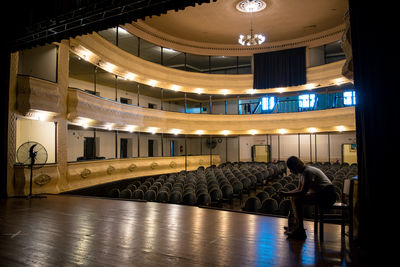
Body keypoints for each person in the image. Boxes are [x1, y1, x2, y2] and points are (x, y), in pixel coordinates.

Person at [278, 156, 336, 240]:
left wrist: (286, 194)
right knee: (294, 198)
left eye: (291, 168)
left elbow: (302, 192)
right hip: (321, 194)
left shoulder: (308, 172)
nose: (291, 171)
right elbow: (298, 189)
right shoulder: (303, 172)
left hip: (327, 196)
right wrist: (287, 194)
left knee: (297, 200)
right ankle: (297, 225)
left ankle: (300, 230)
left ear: (296, 166)